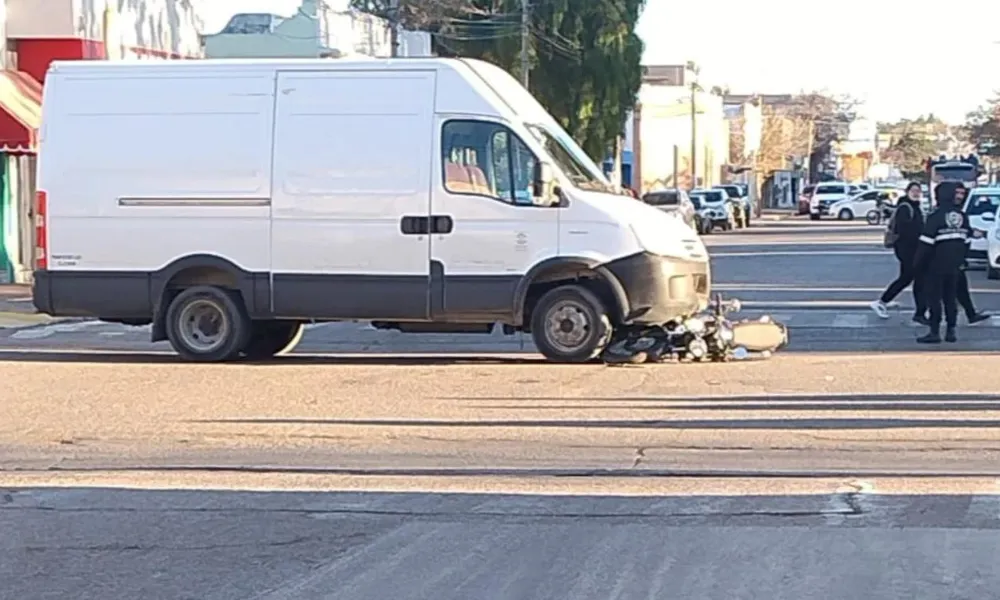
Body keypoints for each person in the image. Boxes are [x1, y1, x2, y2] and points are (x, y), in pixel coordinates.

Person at [911, 183, 990, 326]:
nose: (960, 196)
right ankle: (945, 324)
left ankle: (938, 328)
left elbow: (964, 238)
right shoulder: (955, 215)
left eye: (962, 193)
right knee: (946, 294)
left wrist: (919, 262)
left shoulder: (948, 215)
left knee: (946, 294)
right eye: (957, 193)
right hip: (944, 262)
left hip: (945, 263)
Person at [870, 182, 925, 320]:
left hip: (912, 249)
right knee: (914, 278)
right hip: (907, 249)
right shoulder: (905, 208)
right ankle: (883, 302)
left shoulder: (915, 207)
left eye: (918, 191)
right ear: (907, 192)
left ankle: (919, 311)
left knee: (909, 278)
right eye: (913, 190)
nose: (916, 193)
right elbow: (905, 230)